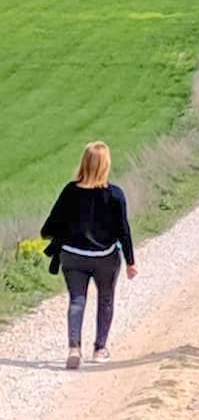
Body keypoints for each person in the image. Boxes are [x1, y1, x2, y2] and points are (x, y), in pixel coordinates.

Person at [41, 141, 137, 370]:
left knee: (77, 300)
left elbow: (49, 228)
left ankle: (74, 348)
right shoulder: (115, 194)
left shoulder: (70, 191)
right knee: (105, 299)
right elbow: (124, 230)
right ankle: (100, 348)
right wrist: (131, 262)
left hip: (73, 257)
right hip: (105, 257)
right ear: (106, 165)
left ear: (84, 162)